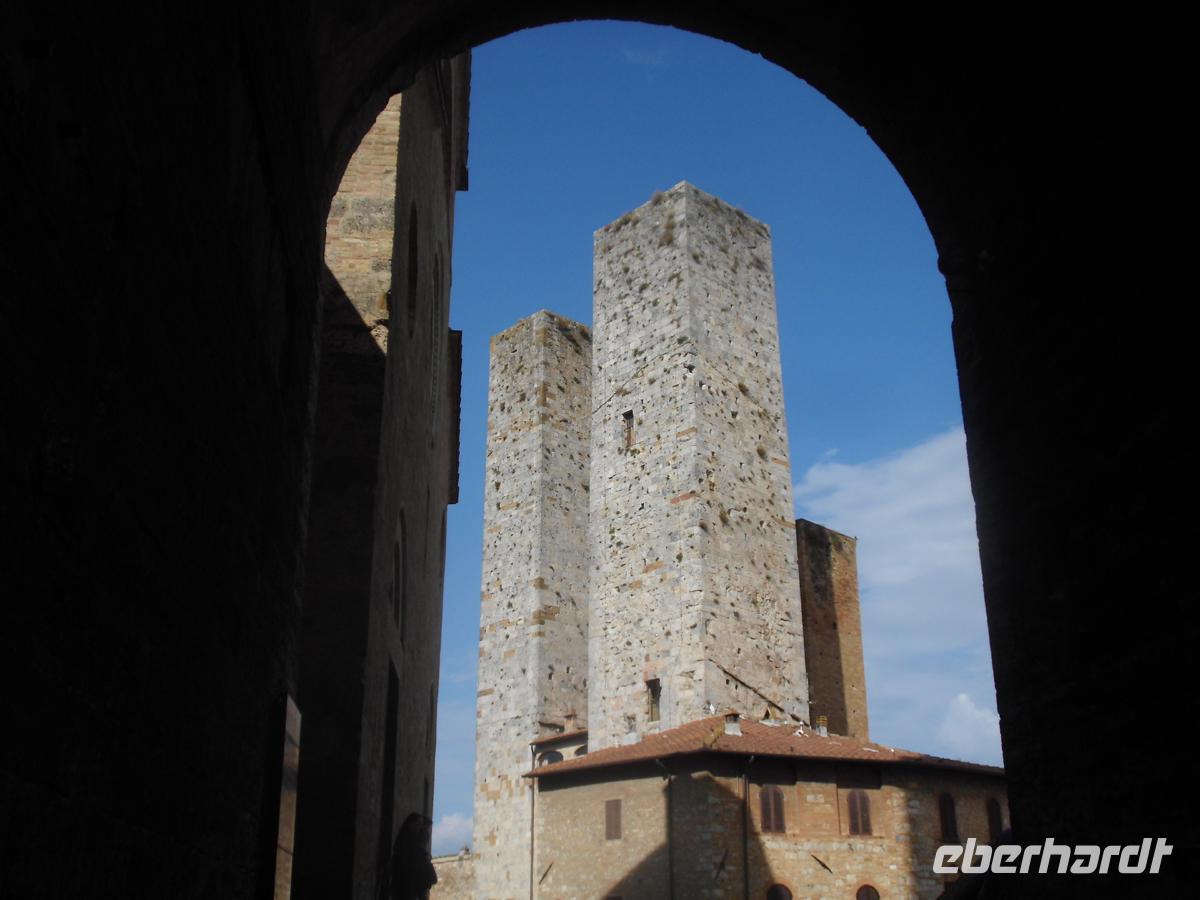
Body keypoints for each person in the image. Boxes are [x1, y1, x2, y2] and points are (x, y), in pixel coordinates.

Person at [384, 812, 437, 900]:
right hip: (407, 888)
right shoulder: (406, 844)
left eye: (421, 824)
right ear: (411, 824)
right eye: (418, 823)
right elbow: (404, 866)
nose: (420, 827)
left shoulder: (416, 845)